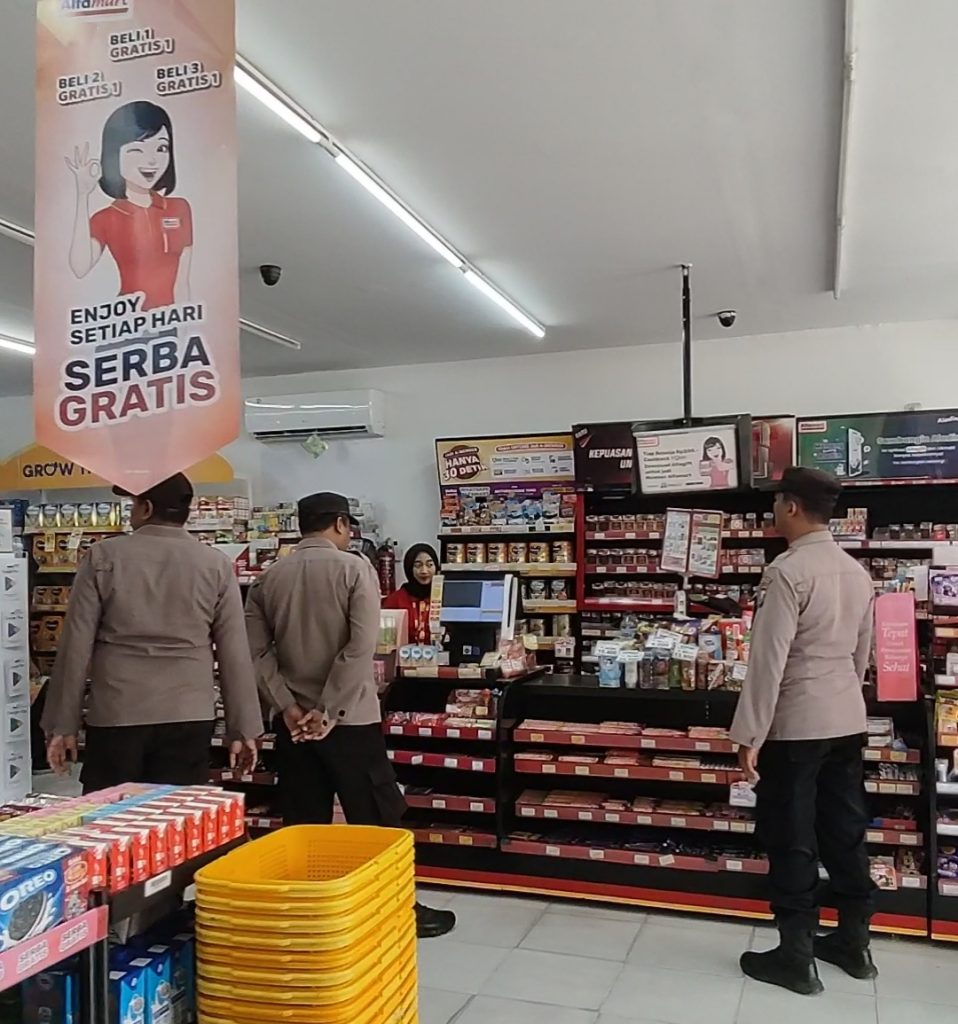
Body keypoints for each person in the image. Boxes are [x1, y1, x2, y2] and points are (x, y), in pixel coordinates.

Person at [244, 492, 456, 938]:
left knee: (303, 821)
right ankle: (395, 907)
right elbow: (360, 648)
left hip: (294, 726)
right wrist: (329, 711)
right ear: (341, 524)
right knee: (375, 816)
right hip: (351, 720)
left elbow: (257, 653)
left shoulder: (269, 578)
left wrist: (289, 707)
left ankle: (309, 910)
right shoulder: (355, 569)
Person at [731, 466, 876, 996]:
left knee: (792, 835)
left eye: (776, 503)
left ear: (791, 506)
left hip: (796, 726)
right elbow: (861, 655)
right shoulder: (856, 572)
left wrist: (750, 733)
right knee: (845, 829)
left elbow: (768, 662)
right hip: (846, 719)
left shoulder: (787, 572)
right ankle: (854, 944)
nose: (773, 511)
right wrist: (843, 700)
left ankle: (796, 957)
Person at [42, 473, 262, 791]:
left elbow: (75, 646)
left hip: (118, 710)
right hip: (188, 712)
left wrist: (62, 724)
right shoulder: (215, 564)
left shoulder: (103, 556)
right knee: (176, 814)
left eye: (132, 504)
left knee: (112, 814)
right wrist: (243, 728)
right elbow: (234, 653)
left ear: (145, 508)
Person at [67, 100, 192, 309]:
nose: (152, 161)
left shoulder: (179, 208)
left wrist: (186, 324)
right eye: (137, 150)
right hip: (127, 320)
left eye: (161, 148)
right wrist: (82, 195)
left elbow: (183, 281)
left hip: (169, 320)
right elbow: (80, 267)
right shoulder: (106, 218)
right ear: (114, 155)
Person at [383, 543, 439, 644]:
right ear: (409, 568)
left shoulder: (445, 597)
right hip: (403, 653)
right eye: (418, 565)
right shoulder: (396, 599)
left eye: (430, 565)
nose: (424, 571)